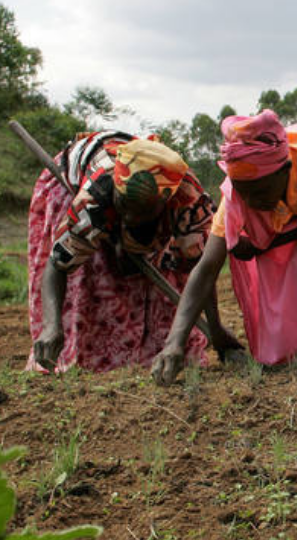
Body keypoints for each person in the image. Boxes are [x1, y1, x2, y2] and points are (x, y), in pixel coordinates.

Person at [151, 110, 297, 385]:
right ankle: (288, 349)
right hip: (296, 189)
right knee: (274, 266)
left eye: (259, 192)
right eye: (243, 192)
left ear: (285, 172)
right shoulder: (237, 197)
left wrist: (265, 244)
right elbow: (207, 267)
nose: (251, 202)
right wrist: (175, 341)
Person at [28, 131, 237, 373]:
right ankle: (86, 361)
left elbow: (201, 270)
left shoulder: (188, 202)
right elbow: (58, 264)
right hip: (79, 182)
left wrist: (216, 328)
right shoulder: (95, 199)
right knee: (94, 280)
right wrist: (51, 325)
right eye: (124, 208)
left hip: (146, 205)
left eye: (140, 213)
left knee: (166, 275)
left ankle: (163, 352)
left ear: (164, 203)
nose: (129, 218)